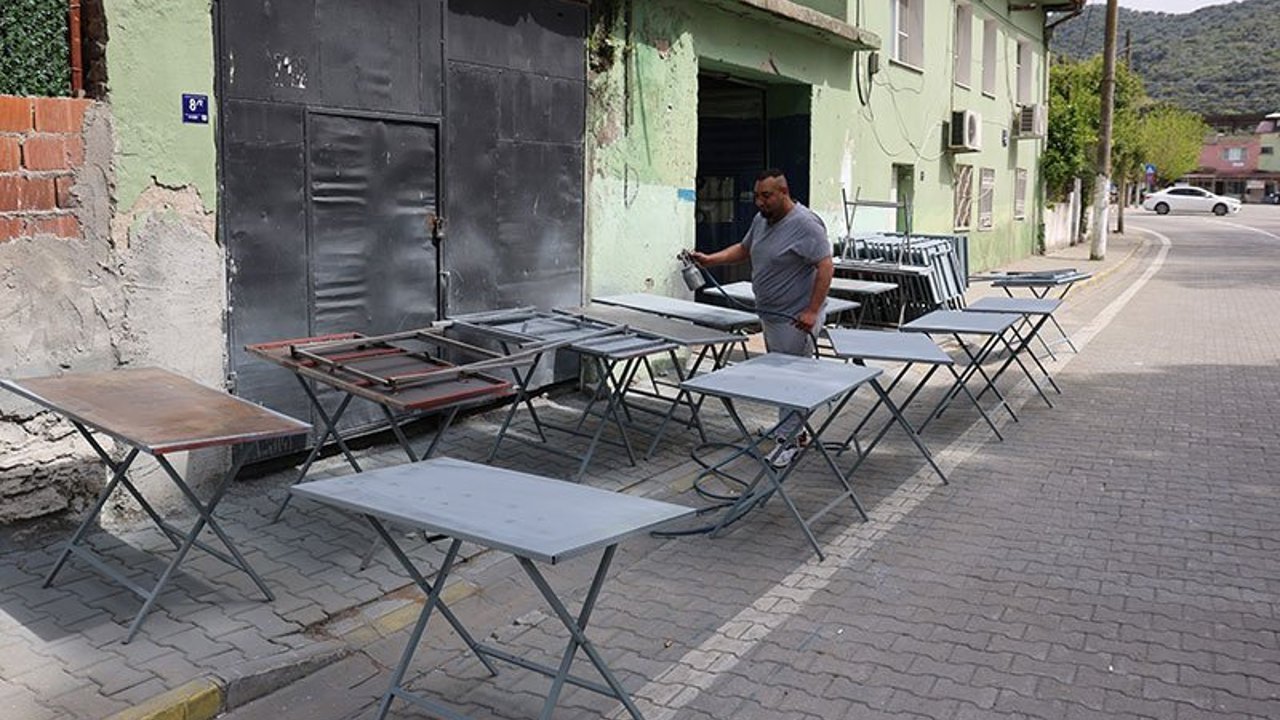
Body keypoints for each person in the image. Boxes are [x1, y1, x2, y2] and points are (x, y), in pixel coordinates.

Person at [689, 169, 834, 467]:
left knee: (789, 379)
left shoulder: (805, 224)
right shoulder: (762, 220)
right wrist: (710, 260)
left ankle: (788, 441)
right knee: (779, 377)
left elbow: (825, 266)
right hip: (770, 314)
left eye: (766, 196)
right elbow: (744, 249)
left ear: (784, 192)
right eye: (757, 196)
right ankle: (792, 431)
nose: (760, 202)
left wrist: (811, 310)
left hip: (795, 318)